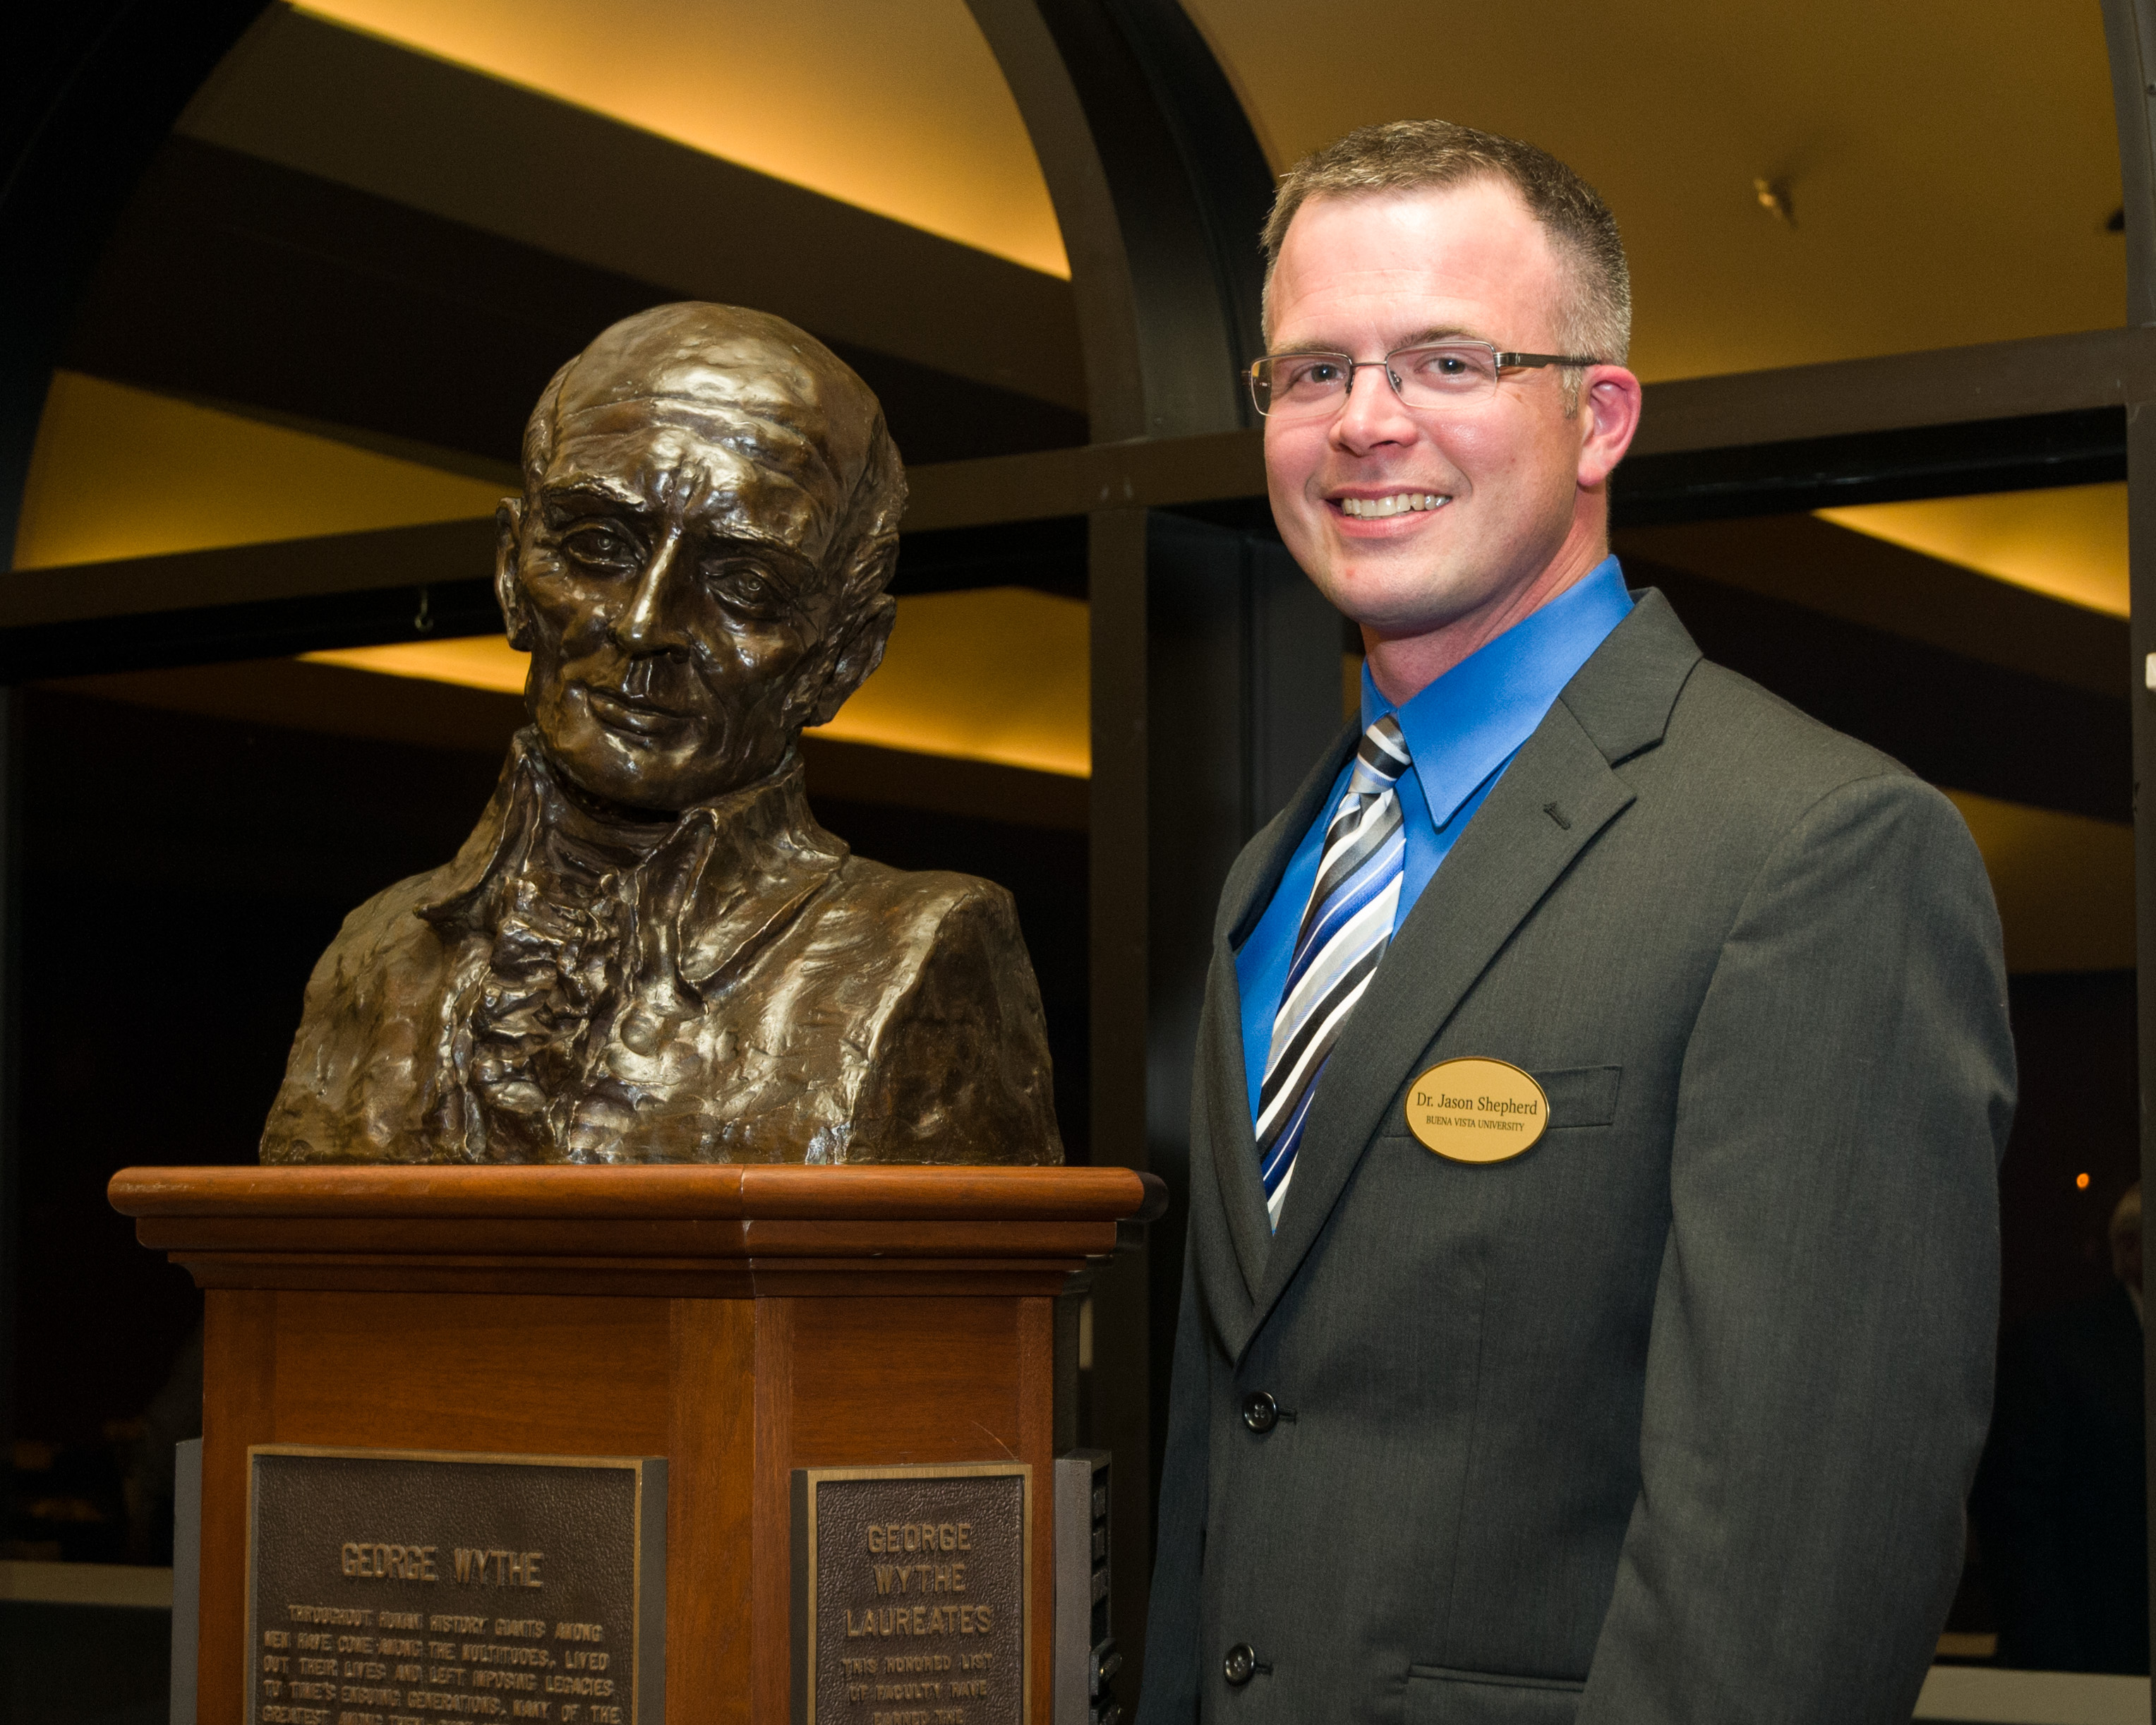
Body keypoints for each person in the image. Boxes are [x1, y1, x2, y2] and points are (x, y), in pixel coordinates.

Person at [1138, 121, 2012, 1722]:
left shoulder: (1813, 850)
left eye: (1446, 359)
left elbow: (1789, 1591)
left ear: (1596, 415)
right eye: (1310, 373)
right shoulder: (1275, 877)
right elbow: (1238, 1441)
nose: (1366, 423)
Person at [262, 302, 1060, 1166]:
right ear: (509, 573)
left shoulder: (925, 953)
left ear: (842, 656)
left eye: (745, 585)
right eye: (598, 544)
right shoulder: (375, 949)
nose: (646, 624)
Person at [1975, 1184, 2147, 1673]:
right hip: (2096, 1667)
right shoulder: (2058, 1351)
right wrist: (2056, 1675)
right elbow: (2017, 1524)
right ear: (2130, 1250)